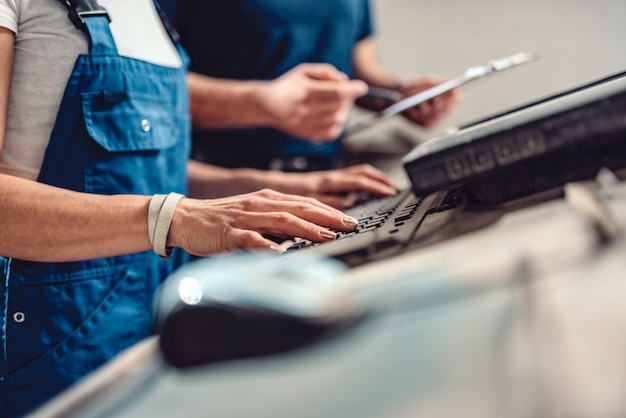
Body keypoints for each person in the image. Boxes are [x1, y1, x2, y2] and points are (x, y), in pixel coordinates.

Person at [0, 1, 398, 416]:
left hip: (152, 329)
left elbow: (138, 171)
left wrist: (278, 190)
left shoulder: (147, 11)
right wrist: (177, 218)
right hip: (51, 345)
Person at [162, 0, 462, 172]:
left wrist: (399, 95)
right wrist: (263, 104)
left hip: (326, 178)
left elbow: (360, 66)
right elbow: (151, 89)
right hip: (221, 185)